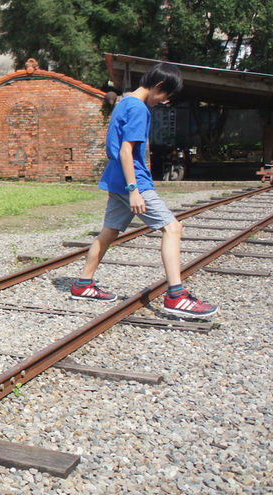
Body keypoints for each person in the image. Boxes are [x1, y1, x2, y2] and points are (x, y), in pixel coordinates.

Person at [71, 62, 218, 318]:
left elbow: (115, 150)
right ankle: (176, 296)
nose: (164, 101)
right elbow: (126, 151)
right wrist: (134, 190)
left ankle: (83, 285)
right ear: (159, 85)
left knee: (108, 233)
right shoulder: (139, 108)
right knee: (173, 228)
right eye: (166, 96)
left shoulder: (124, 103)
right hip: (132, 181)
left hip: (116, 178)